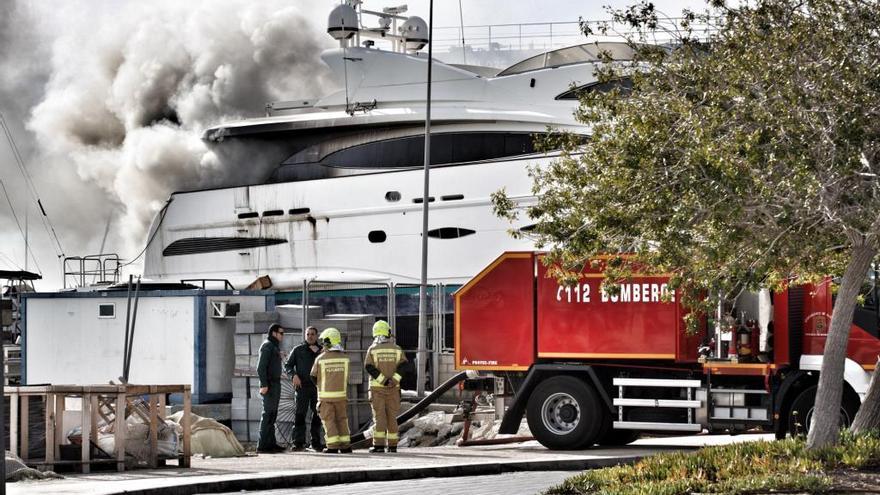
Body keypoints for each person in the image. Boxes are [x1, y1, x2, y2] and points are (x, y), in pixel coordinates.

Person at [364, 320, 407, 453]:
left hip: (377, 389)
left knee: (379, 417)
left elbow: (369, 367)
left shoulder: (372, 349)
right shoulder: (397, 349)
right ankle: (393, 445)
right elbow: (404, 365)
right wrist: (393, 380)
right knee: (392, 417)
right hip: (393, 389)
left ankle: (378, 445)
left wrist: (383, 380)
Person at [310, 327, 351, 453]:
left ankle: (332, 446)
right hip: (341, 396)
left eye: (324, 342)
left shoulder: (320, 359)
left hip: (326, 397)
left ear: (328, 342)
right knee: (342, 420)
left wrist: (321, 386)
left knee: (329, 421)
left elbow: (312, 376)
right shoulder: (345, 358)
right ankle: (346, 446)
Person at [283, 325, 324, 451]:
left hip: (318, 387)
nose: (310, 336)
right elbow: (288, 365)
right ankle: (298, 442)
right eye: (308, 334)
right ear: (305, 336)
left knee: (317, 414)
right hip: (302, 387)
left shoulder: (322, 351)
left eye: (312, 334)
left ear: (317, 336)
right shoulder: (298, 350)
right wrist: (293, 375)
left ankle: (316, 442)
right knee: (300, 414)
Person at [256, 323, 286, 453]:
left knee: (273, 415)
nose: (282, 336)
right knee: (268, 414)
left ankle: (271, 444)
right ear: (274, 333)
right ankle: (262, 446)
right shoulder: (267, 345)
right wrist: (264, 385)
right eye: (281, 333)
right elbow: (261, 367)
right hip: (270, 385)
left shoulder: (273, 346)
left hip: (275, 384)